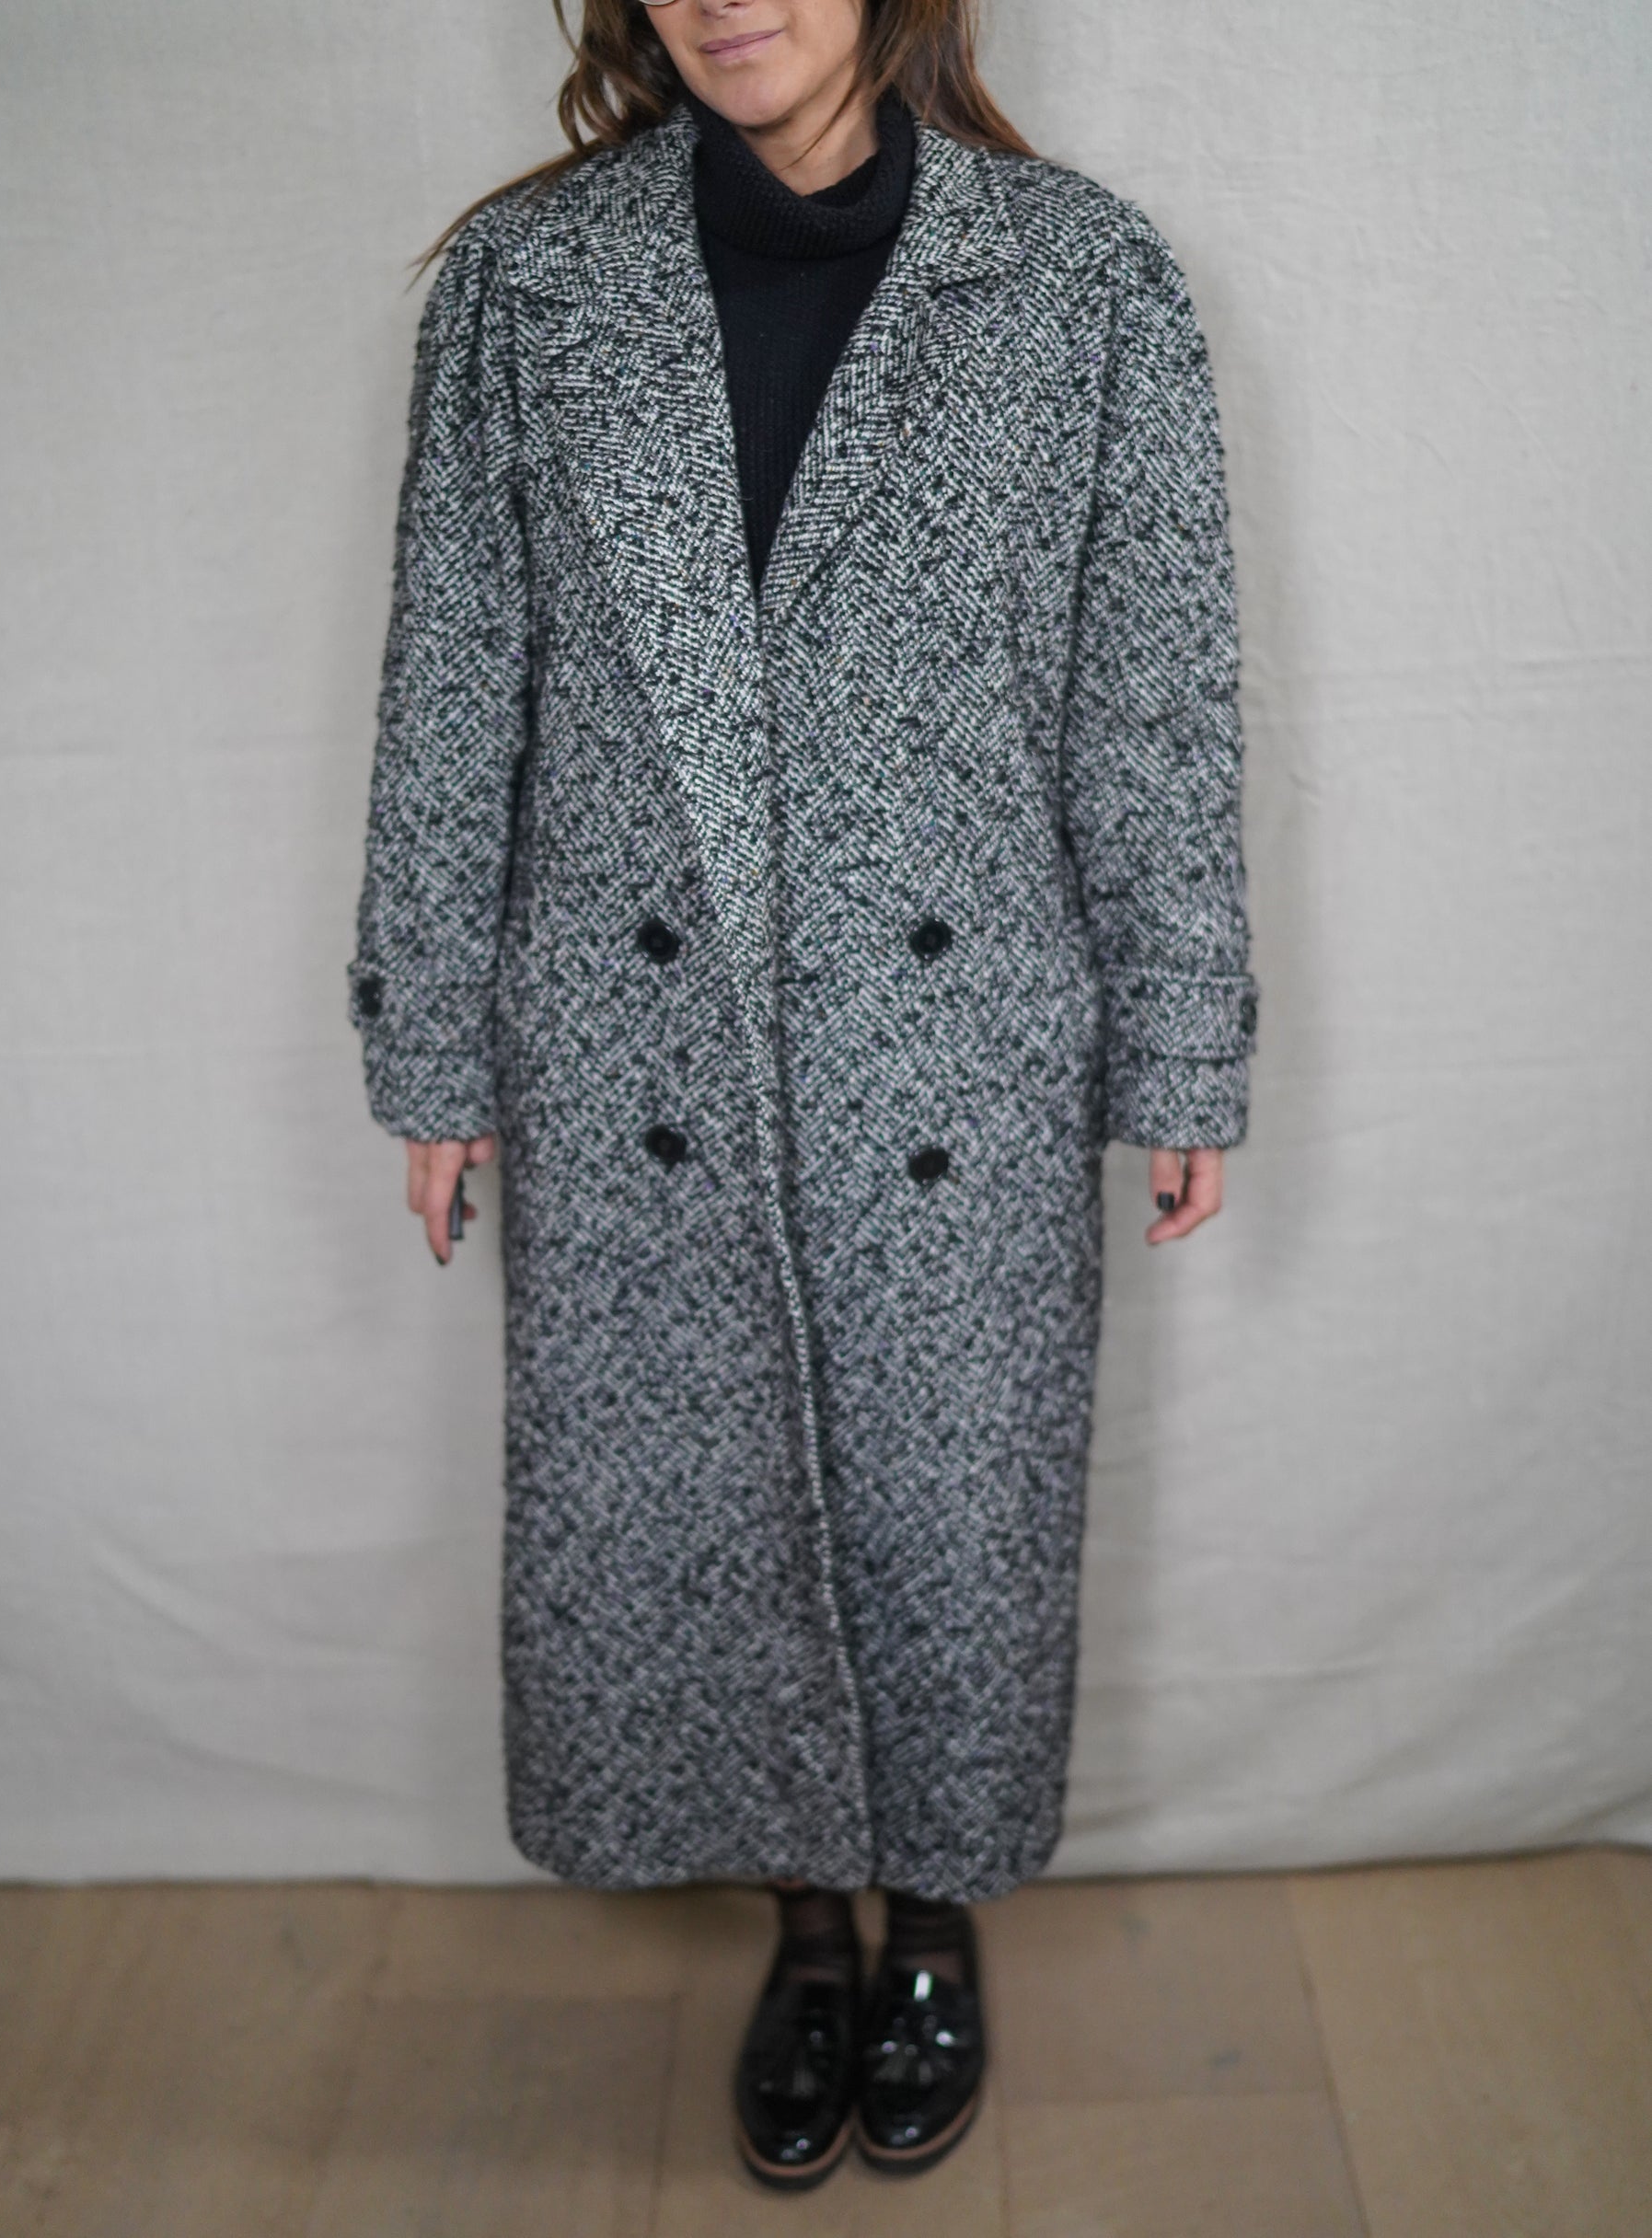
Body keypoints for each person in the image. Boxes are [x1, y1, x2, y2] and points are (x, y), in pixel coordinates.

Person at [347, 0, 1258, 2193]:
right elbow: (455, 675)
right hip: (633, 1034)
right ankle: (808, 1929)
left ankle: (930, 1917)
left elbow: (1151, 697)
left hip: (959, 1040)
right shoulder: (528, 286)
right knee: (698, 1498)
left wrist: (1181, 1035)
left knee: (952, 1504)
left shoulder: (1081, 280)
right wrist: (432, 1036)